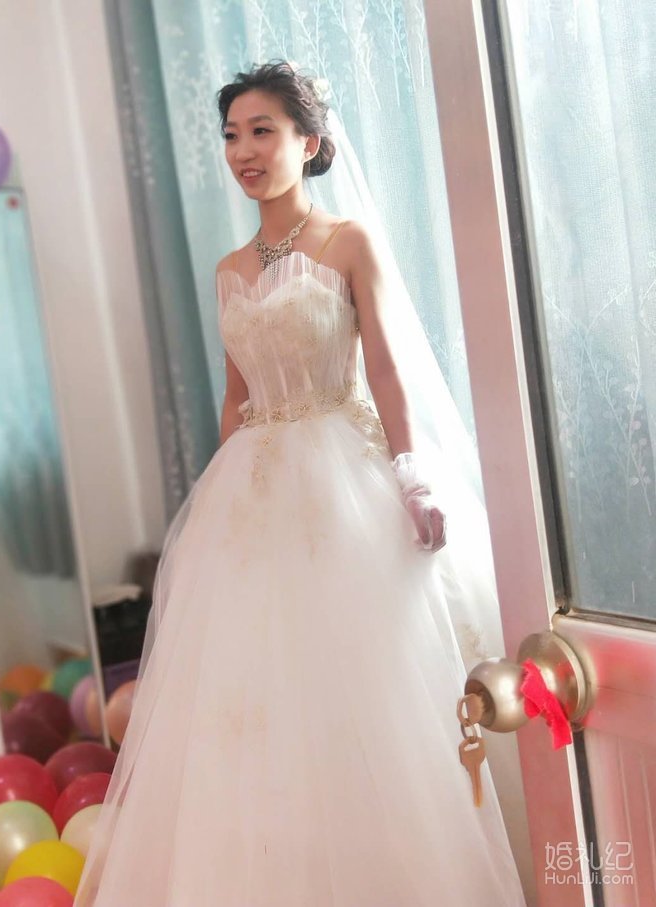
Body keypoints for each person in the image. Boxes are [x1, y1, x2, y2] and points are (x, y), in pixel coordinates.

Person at [75, 60, 526, 905]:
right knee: (256, 698)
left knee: (368, 683)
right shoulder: (227, 268)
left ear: (309, 143)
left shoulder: (347, 242)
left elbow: (385, 370)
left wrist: (412, 475)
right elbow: (235, 396)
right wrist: (221, 507)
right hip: (254, 490)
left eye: (263, 131)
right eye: (231, 135)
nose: (243, 150)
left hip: (341, 476)